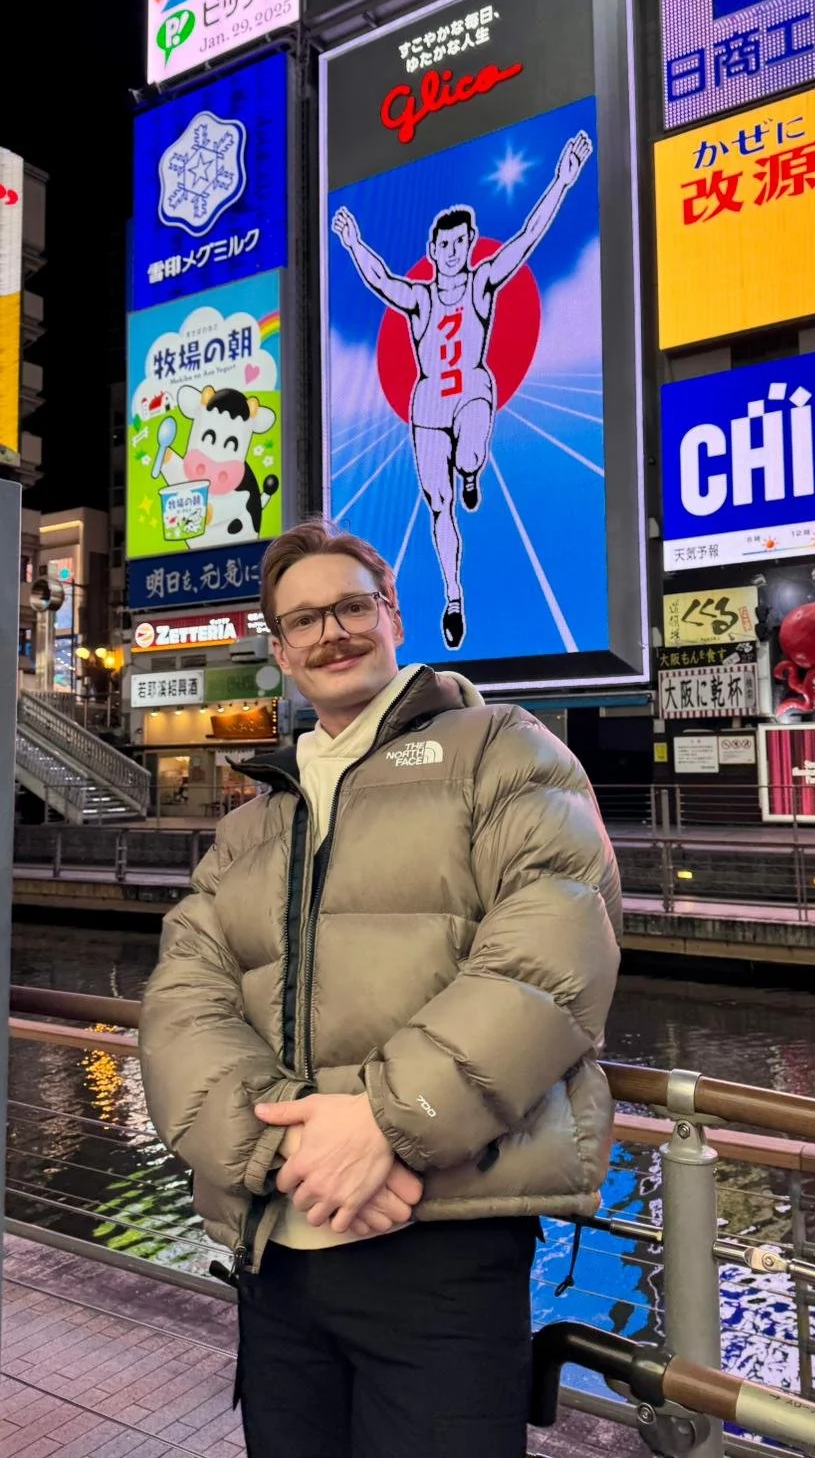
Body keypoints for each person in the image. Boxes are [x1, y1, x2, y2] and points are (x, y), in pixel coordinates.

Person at [139, 517, 621, 1458]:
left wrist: (386, 1122)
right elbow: (179, 1003)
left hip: (444, 1240)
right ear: (280, 651)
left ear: (395, 615)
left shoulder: (502, 749)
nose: (332, 633)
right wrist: (288, 1149)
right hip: (276, 1247)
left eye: (352, 606)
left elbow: (556, 945)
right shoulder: (255, 820)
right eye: (304, 620)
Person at [331, 130, 593, 650]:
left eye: (460, 243)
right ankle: (454, 597)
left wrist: (564, 181)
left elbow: (526, 238)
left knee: (470, 452)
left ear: (469, 245)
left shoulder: (482, 282)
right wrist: (353, 242)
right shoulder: (420, 297)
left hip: (472, 385)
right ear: (432, 250)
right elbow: (381, 280)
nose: (452, 252)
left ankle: (472, 468)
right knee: (439, 504)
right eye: (444, 245)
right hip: (428, 403)